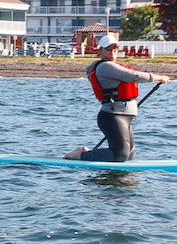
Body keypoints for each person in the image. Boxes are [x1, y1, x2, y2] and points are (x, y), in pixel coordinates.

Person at [65, 33, 170, 162]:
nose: (112, 52)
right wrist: (158, 77)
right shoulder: (105, 66)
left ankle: (90, 155)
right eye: (108, 49)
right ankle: (79, 155)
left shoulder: (113, 66)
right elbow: (133, 76)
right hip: (112, 115)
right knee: (119, 155)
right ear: (100, 51)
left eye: (115, 49)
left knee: (128, 155)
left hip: (125, 115)